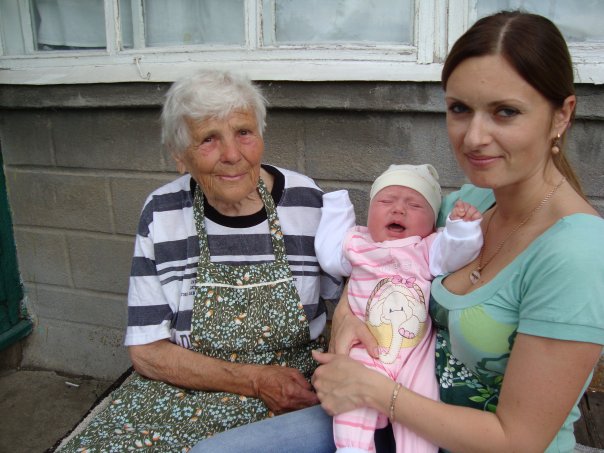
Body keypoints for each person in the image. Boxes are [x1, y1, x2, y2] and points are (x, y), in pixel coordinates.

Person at [311, 10, 604, 453]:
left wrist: (375, 391)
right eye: (460, 109)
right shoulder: (470, 204)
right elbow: (385, 263)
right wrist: (349, 322)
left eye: (505, 112)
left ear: (561, 115)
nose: (474, 137)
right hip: (396, 419)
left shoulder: (577, 255)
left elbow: (518, 441)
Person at [60, 70, 345, 451]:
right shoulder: (162, 212)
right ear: (180, 156)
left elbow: (350, 306)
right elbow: (147, 351)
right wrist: (253, 379)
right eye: (209, 138)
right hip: (186, 383)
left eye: (243, 132)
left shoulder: (307, 202)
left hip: (290, 387)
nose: (232, 154)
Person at [314, 164, 482, 452]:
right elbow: (329, 257)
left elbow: (457, 254)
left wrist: (461, 229)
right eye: (386, 200)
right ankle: (353, 448)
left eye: (414, 205)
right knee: (352, 398)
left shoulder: (428, 247)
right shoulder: (358, 243)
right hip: (367, 345)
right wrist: (336, 207)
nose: (398, 209)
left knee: (423, 402)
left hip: (416, 353)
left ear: (432, 223)